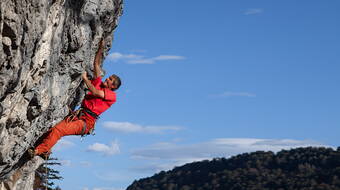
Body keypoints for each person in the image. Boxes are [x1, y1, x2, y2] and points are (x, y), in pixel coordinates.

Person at [28, 40, 121, 158]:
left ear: (113, 86)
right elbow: (96, 64)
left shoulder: (112, 96)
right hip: (79, 115)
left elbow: (94, 92)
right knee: (52, 128)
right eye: (109, 78)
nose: (107, 79)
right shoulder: (99, 83)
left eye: (110, 80)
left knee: (59, 130)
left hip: (85, 123)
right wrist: (100, 48)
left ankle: (37, 151)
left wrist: (85, 78)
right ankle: (46, 151)